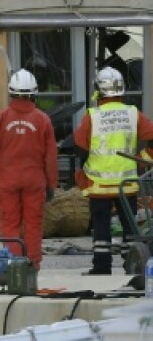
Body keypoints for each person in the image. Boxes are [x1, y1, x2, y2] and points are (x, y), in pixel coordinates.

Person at [72, 67, 153, 275]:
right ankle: (132, 265)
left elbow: (79, 148)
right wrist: (142, 160)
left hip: (99, 185)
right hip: (128, 185)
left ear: (98, 90)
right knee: (130, 227)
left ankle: (101, 266)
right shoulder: (133, 113)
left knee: (101, 227)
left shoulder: (93, 115)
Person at [0, 69, 57, 270]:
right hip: (34, 181)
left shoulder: (0, 119)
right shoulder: (42, 120)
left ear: (11, 92)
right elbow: (50, 158)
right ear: (34, 92)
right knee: (33, 225)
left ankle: (14, 267)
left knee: (9, 225)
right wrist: (51, 185)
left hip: (6, 182)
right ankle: (32, 267)